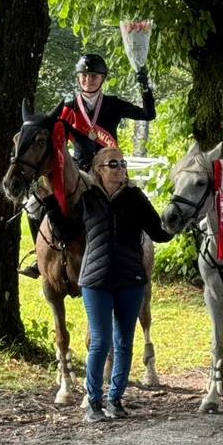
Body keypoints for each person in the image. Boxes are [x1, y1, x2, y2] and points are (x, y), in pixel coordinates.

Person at [39, 147, 173, 423]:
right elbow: (65, 231)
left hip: (130, 281)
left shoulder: (136, 198)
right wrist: (51, 204)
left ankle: (115, 399)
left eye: (123, 163)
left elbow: (159, 234)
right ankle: (94, 402)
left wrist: (177, 217)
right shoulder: (88, 200)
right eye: (114, 164)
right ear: (99, 169)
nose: (121, 168)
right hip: (96, 282)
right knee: (100, 343)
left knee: (123, 344)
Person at [20, 53, 156, 278]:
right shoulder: (68, 107)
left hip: (109, 169)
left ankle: (139, 248)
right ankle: (40, 256)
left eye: (93, 76)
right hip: (78, 168)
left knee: (132, 201)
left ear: (102, 78)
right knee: (34, 205)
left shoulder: (113, 104)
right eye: (83, 75)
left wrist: (145, 86)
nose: (88, 80)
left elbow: (147, 114)